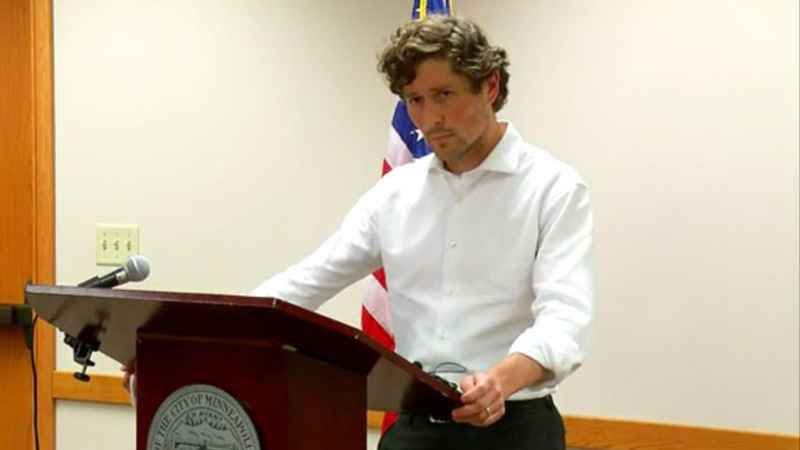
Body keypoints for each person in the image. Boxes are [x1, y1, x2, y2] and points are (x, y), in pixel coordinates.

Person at [250, 14, 594, 450]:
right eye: (415, 100)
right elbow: (307, 281)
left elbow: (565, 320)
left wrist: (500, 380)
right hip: (415, 426)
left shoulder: (554, 188)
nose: (429, 119)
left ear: (489, 87)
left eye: (443, 95)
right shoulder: (394, 195)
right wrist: (205, 343)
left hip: (514, 427)